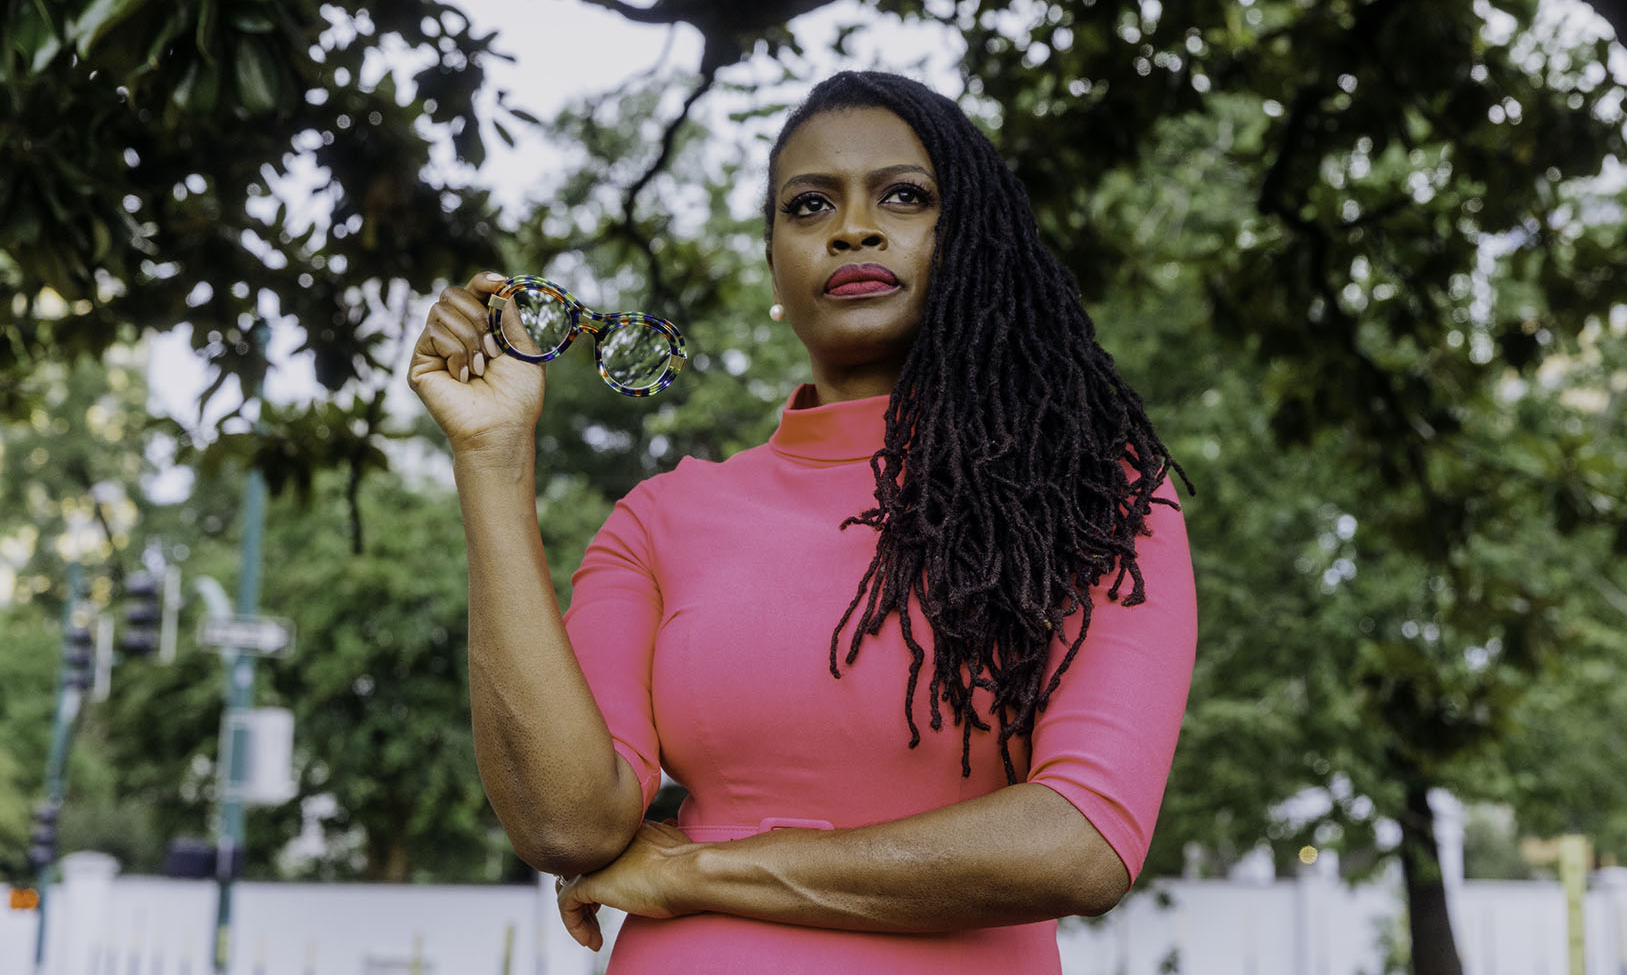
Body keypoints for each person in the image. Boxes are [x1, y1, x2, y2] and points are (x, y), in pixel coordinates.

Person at [408, 70, 1197, 973]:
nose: (853, 228)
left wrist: (698, 873)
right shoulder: (663, 518)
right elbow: (567, 823)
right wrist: (493, 460)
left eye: (904, 196)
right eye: (810, 205)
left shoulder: (1098, 501)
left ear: (975, 239)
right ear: (775, 266)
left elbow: (1080, 841)